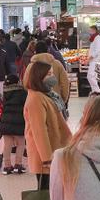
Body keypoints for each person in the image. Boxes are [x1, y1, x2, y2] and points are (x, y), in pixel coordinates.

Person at [23, 60, 72, 192]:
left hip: (54, 149)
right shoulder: (36, 99)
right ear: (39, 77)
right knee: (46, 194)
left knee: (54, 191)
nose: (52, 77)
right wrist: (47, 160)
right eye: (48, 74)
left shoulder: (48, 94)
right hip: (45, 157)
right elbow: (39, 131)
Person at [0, 73, 27, 175]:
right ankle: (18, 165)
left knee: (7, 145)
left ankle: (7, 166)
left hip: (6, 122)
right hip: (19, 122)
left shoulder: (5, 93)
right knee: (21, 144)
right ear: (18, 81)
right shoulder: (23, 92)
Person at [87, 25, 100, 95]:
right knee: (93, 77)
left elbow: (96, 51)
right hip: (93, 61)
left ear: (94, 30)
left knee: (90, 76)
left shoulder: (98, 39)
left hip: (95, 61)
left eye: (90, 30)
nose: (89, 32)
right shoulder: (94, 39)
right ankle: (95, 91)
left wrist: (89, 58)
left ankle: (97, 92)